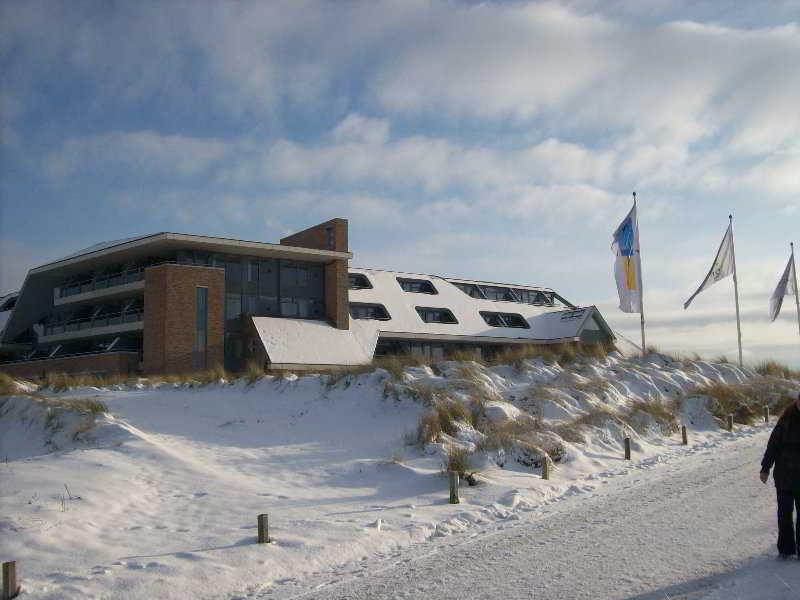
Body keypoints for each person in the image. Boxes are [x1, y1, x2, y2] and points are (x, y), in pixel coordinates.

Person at [761, 391, 800, 559]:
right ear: (797, 401)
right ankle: (785, 548)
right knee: (784, 514)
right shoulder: (785, 421)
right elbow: (773, 446)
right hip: (784, 476)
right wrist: (765, 468)